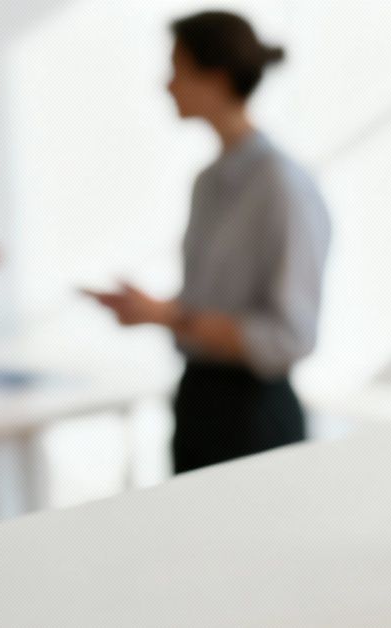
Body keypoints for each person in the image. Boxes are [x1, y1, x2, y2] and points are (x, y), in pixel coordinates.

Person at [87, 11, 331, 474]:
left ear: (216, 78)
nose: (167, 84)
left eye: (177, 68)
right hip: (197, 404)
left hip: (255, 419)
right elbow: (209, 304)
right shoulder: (208, 181)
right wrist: (155, 312)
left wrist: (170, 315)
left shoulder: (282, 185)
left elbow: (289, 337)